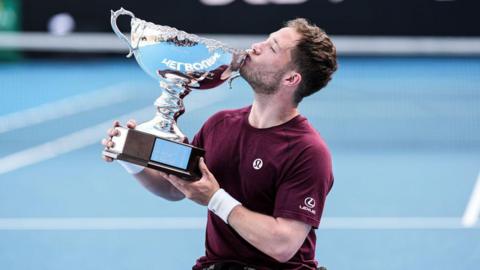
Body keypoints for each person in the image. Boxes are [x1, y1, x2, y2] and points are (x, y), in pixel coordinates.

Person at [102, 18, 337, 270]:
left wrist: (215, 199)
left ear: (291, 79)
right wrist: (131, 156)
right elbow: (175, 187)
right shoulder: (219, 124)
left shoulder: (308, 151)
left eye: (273, 47)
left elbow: (282, 245)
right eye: (266, 39)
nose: (257, 46)